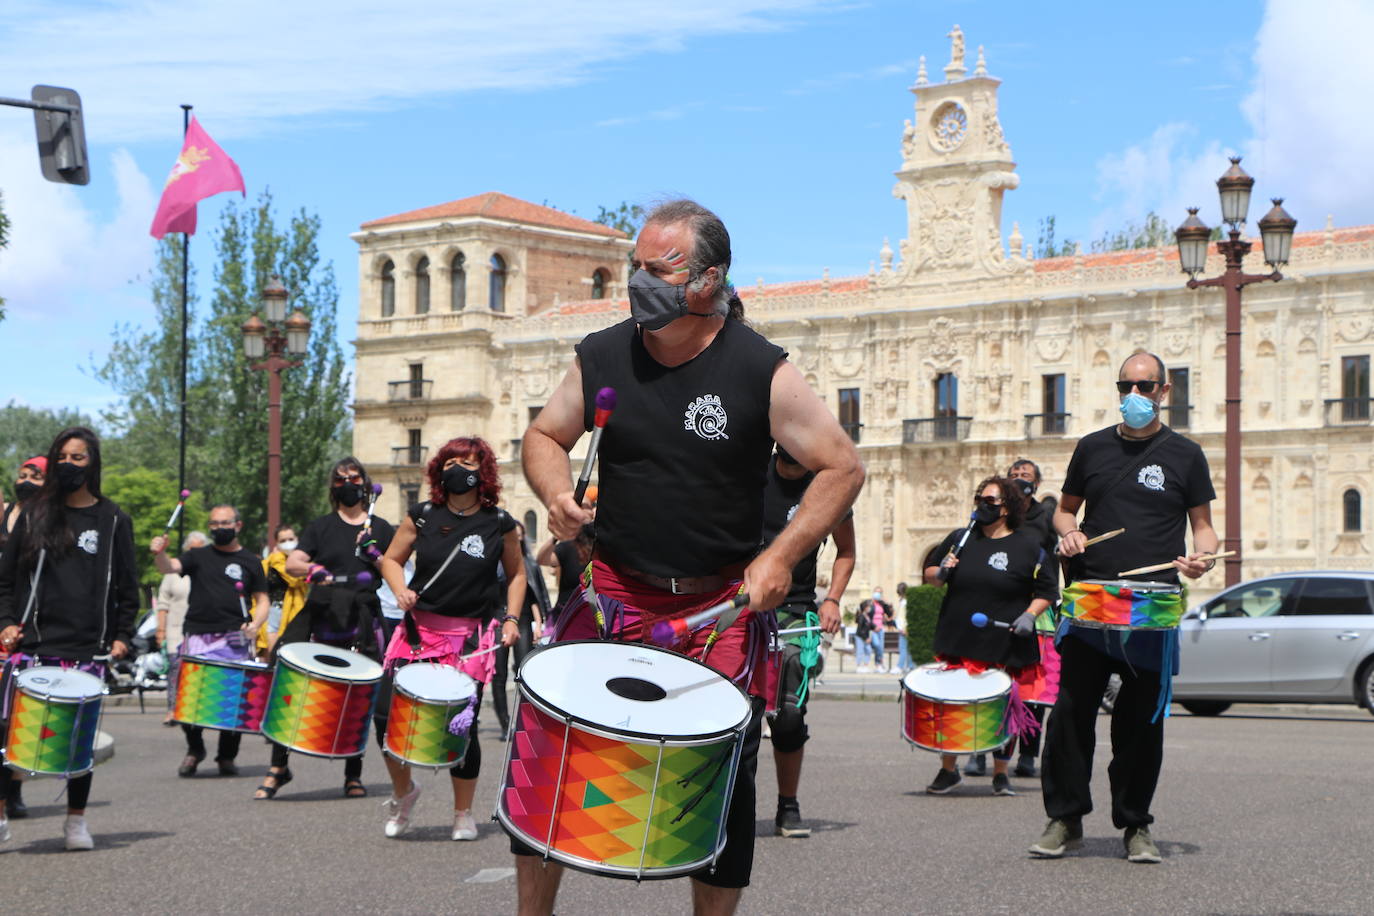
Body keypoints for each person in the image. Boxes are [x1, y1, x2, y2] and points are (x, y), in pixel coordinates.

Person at [517, 199, 864, 916]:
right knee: (552, 754)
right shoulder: (603, 354)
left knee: (721, 782)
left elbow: (842, 467)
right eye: (636, 267)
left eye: (659, 268)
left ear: (710, 280)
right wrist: (555, 494)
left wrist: (780, 556)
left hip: (716, 609)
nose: (639, 282)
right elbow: (544, 437)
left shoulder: (760, 369)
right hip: (612, 590)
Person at [1029, 352, 1218, 864]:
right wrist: (1069, 536)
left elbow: (1202, 524)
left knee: (1140, 724)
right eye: (1126, 385)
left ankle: (1136, 825)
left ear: (1164, 391)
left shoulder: (1186, 455)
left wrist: (1201, 557)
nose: (1134, 394)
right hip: (1092, 602)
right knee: (1069, 717)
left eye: (1145, 385)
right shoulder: (1091, 448)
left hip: (1151, 610)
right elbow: (1065, 511)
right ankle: (1064, 819)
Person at [375, 436, 523, 840]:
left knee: (463, 726)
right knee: (385, 715)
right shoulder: (422, 515)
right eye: (452, 460)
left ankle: (462, 813)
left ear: (484, 471)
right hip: (417, 633)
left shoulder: (500, 523)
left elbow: (517, 574)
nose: (459, 467)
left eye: (468, 461)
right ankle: (404, 794)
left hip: (470, 638)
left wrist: (511, 618)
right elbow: (390, 558)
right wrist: (399, 587)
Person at [0, 427, 139, 850]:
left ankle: (76, 822)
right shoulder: (34, 514)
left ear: (93, 463)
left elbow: (128, 589)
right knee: (8, 734)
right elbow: (5, 580)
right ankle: (2, 815)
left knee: (79, 741)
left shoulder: (113, 519)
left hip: (86, 647)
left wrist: (122, 635)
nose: (69, 464)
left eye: (78, 458)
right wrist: (6, 621)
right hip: (34, 644)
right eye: (62, 457)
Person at [256, 457, 395, 800]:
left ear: (365, 483)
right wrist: (314, 568)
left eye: (353, 477)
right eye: (340, 479)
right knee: (287, 677)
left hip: (362, 616)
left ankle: (353, 772)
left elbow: (395, 569)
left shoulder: (382, 528)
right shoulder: (321, 526)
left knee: (362, 695)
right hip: (321, 611)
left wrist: (374, 553)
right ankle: (278, 766)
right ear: (333, 488)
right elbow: (293, 561)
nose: (347, 483)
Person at [923, 476, 1056, 797]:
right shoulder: (961, 538)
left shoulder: (1028, 545)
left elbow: (1047, 590)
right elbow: (930, 577)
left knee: (1002, 707)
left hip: (1005, 638)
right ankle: (948, 770)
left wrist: (1029, 615)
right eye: (980, 499)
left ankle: (1000, 773)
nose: (983, 505)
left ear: (1007, 507)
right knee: (954, 706)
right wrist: (941, 570)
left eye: (991, 501)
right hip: (959, 636)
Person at [760, 445, 855, 838]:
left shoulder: (826, 487)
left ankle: (788, 805)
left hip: (794, 610)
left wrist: (832, 598)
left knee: (789, 715)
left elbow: (846, 550)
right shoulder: (749, 473)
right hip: (740, 605)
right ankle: (723, 804)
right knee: (733, 716)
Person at [152, 504, 269, 777]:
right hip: (198, 636)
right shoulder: (197, 555)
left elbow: (262, 600)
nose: (219, 528)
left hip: (234, 638)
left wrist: (256, 624)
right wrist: (160, 552)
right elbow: (168, 567)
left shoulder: (251, 562)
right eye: (214, 524)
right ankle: (195, 749)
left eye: (225, 523)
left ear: (238, 525)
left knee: (233, 700)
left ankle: (226, 756)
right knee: (189, 700)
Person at [1006, 458, 1058, 778]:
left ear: (1036, 484)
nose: (1019, 479)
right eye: (1013, 475)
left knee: (1032, 691)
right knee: (995, 684)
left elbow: (1058, 558)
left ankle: (1027, 753)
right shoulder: (999, 514)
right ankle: (989, 750)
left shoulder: (1045, 516)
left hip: (1036, 607)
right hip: (1001, 604)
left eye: (1025, 476)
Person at [0, 455, 46, 819]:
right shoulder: (3, 514)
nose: (26, 480)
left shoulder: (49, 523)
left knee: (15, 717)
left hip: (23, 628)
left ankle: (12, 790)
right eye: (23, 474)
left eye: (36, 475)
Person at [490, 521, 545, 739]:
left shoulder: (528, 563)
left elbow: (533, 597)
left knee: (524, 672)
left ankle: (525, 720)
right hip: (497, 619)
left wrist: (538, 623)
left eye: (520, 535)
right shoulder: (493, 562)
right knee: (499, 674)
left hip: (522, 619)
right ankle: (505, 724)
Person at [258, 524, 308, 655]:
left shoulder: (304, 562)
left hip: (295, 612)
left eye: (290, 539)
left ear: (296, 539)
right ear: (276, 543)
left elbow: (297, 581)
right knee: (272, 654)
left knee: (293, 654)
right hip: (273, 612)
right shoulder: (270, 562)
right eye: (283, 541)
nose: (288, 543)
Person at [535, 522, 594, 625]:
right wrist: (555, 537)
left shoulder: (605, 549)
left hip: (595, 614)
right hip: (568, 614)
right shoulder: (568, 547)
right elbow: (542, 560)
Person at [867, 588, 890, 673]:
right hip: (873, 629)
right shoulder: (870, 604)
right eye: (876, 592)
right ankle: (878, 663)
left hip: (881, 628)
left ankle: (879, 664)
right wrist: (873, 627)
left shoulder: (882, 604)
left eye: (880, 592)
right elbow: (867, 617)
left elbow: (889, 614)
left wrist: (886, 604)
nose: (878, 594)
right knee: (876, 645)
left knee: (880, 647)